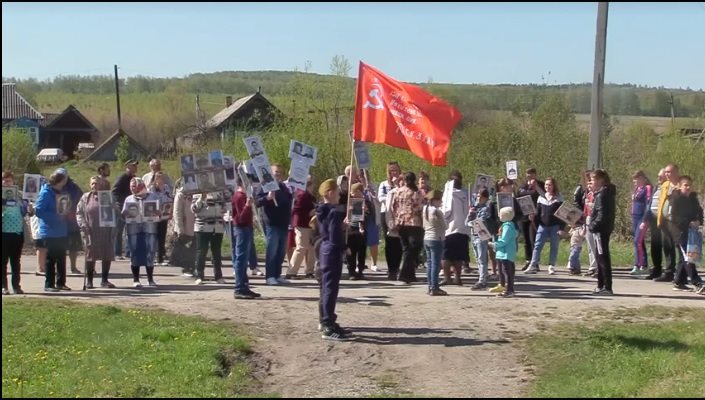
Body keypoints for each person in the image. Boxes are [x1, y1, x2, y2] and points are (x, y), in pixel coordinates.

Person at [316, 178, 352, 341]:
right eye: (337, 192)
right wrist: (344, 247)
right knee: (330, 289)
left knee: (326, 288)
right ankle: (328, 324)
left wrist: (341, 226)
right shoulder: (334, 211)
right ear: (330, 193)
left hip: (325, 249)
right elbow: (334, 235)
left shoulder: (323, 210)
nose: (339, 195)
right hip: (332, 251)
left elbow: (329, 230)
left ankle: (327, 320)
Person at [76, 176, 116, 289]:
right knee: (90, 255)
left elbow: (117, 211)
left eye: (97, 184)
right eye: (93, 184)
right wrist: (83, 224)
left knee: (106, 254)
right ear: (90, 185)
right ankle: (89, 281)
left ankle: (104, 280)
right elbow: (79, 212)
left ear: (101, 185)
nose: (95, 186)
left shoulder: (108, 196)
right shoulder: (85, 197)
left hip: (105, 230)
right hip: (90, 230)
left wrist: (113, 207)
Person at [256, 163, 293, 285]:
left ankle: (277, 274)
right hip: (272, 223)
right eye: (275, 172)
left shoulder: (283, 187)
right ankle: (270, 276)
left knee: (281, 251)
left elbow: (288, 201)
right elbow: (257, 202)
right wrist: (268, 198)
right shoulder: (265, 186)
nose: (277, 174)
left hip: (283, 223)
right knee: (272, 251)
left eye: (279, 172)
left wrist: (294, 197)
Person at [122, 177, 162, 287]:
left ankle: (150, 279)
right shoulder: (128, 199)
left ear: (141, 186)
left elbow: (161, 213)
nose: (132, 189)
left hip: (149, 229)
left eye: (134, 187)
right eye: (131, 187)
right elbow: (123, 214)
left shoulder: (153, 196)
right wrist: (125, 213)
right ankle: (136, 280)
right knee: (135, 253)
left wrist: (158, 212)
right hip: (134, 230)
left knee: (150, 252)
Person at [35, 170, 70, 292]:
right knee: (51, 258)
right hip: (49, 230)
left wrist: (66, 212)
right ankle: (49, 284)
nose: (66, 181)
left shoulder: (63, 192)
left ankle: (61, 282)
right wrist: (55, 217)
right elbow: (39, 211)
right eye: (64, 179)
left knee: (61, 257)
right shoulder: (45, 193)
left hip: (61, 230)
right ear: (59, 180)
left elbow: (64, 207)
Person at [525, 178, 565, 275]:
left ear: (554, 186)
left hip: (555, 226)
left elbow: (563, 214)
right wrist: (533, 218)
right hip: (543, 226)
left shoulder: (559, 198)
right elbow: (538, 212)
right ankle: (533, 264)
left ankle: (551, 266)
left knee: (554, 246)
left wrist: (561, 228)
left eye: (550, 185)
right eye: (546, 185)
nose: (547, 187)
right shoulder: (541, 197)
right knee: (537, 245)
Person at [670, 175, 703, 292]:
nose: (688, 187)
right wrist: (688, 223)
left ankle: (679, 281)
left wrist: (699, 221)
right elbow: (674, 217)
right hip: (680, 233)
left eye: (689, 185)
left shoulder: (693, 198)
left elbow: (699, 211)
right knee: (689, 258)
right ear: (679, 186)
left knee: (683, 258)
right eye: (685, 185)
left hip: (691, 233)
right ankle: (697, 282)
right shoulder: (675, 198)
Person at [390, 172, 424, 284]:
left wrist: (396, 219)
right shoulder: (417, 192)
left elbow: (392, 206)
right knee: (415, 247)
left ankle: (410, 274)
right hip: (414, 222)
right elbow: (420, 208)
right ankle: (405, 273)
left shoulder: (398, 191)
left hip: (401, 222)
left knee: (406, 249)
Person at [2, 171, 32, 295]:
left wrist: (30, 209)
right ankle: (4, 287)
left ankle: (16, 286)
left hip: (17, 232)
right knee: (3, 261)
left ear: (13, 181)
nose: (6, 182)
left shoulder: (19, 195)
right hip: (3, 232)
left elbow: (26, 211)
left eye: (9, 180)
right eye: (4, 180)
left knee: (16, 261)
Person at [231, 176, 261, 299]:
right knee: (241, 258)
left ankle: (244, 286)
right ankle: (239, 288)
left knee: (245, 258)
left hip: (246, 228)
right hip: (241, 229)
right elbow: (239, 218)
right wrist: (247, 206)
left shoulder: (244, 196)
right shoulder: (239, 196)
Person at [588, 169, 617, 296]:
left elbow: (602, 214)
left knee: (603, 257)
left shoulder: (603, 194)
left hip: (601, 230)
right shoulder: (601, 193)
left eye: (593, 179)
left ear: (600, 180)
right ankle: (601, 285)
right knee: (599, 257)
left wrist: (593, 226)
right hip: (601, 229)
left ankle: (607, 286)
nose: (591, 182)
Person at [441, 170, 470, 286]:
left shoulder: (449, 194)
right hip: (462, 228)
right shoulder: (466, 194)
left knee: (447, 255)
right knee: (458, 255)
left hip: (450, 228)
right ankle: (457, 278)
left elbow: (445, 211)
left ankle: (449, 277)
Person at [191, 191, 227, 285]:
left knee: (216, 252)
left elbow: (225, 207)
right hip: (202, 227)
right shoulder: (197, 193)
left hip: (217, 226)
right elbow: (194, 209)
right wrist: (201, 198)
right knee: (201, 251)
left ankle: (218, 276)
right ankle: (199, 275)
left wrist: (224, 210)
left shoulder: (220, 193)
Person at [287, 176, 317, 279]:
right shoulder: (301, 195)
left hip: (309, 225)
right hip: (302, 224)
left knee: (311, 248)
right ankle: (291, 271)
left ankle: (309, 270)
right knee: (301, 247)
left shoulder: (310, 195)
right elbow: (297, 211)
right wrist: (310, 213)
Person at [654, 164, 680, 283]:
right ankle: (669, 272)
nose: (667, 174)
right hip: (665, 220)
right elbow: (661, 202)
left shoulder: (681, 185)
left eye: (670, 172)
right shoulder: (665, 185)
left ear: (676, 172)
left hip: (677, 222)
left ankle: (682, 273)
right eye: (666, 172)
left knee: (680, 247)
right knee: (667, 246)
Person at [518, 168, 545, 271]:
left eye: (531, 174)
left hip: (536, 216)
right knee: (526, 240)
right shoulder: (523, 186)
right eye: (528, 174)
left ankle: (535, 262)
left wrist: (536, 186)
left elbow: (544, 195)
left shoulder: (541, 184)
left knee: (533, 239)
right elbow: (518, 196)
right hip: (524, 215)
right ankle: (528, 260)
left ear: (535, 174)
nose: (529, 176)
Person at [378, 162, 402, 277]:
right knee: (389, 241)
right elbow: (380, 197)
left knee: (398, 241)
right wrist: (391, 195)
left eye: (396, 170)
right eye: (392, 170)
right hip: (386, 213)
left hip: (399, 214)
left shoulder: (401, 185)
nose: (394, 172)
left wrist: (397, 187)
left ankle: (397, 267)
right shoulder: (384, 184)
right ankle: (390, 268)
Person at [112, 159, 139, 260]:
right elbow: (114, 192)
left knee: (131, 230)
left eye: (136, 166)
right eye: (133, 165)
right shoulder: (122, 177)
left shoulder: (135, 178)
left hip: (132, 207)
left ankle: (129, 252)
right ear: (128, 167)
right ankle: (117, 252)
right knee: (119, 230)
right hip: (121, 206)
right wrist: (119, 204)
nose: (136, 167)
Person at [490, 207, 519, 298]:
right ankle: (503, 287)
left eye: (501, 214)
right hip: (502, 253)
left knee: (507, 272)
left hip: (506, 253)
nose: (499, 216)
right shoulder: (506, 225)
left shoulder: (507, 226)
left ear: (505, 216)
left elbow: (504, 240)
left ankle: (509, 290)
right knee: (503, 271)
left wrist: (494, 244)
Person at [422, 190, 447, 296]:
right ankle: (434, 287)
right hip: (436, 238)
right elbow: (445, 226)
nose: (441, 202)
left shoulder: (425, 209)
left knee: (430, 263)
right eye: (439, 200)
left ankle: (430, 286)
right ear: (435, 200)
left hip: (427, 237)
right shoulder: (437, 211)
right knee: (436, 264)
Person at [643, 169, 667, 280]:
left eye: (661, 176)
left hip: (664, 220)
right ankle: (656, 269)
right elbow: (650, 203)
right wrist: (646, 218)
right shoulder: (657, 187)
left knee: (667, 245)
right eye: (658, 176)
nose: (659, 179)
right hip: (653, 219)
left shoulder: (668, 187)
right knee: (655, 245)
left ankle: (669, 271)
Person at [170, 178, 196, 276]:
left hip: (195, 225)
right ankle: (186, 268)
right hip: (185, 227)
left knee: (194, 248)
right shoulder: (181, 195)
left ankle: (192, 267)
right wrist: (180, 228)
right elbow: (177, 212)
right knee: (186, 249)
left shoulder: (196, 193)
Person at [345, 183, 371, 280]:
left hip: (362, 230)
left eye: (354, 192)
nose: (352, 194)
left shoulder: (366, 202)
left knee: (361, 252)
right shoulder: (349, 202)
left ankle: (360, 270)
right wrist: (349, 212)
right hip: (351, 229)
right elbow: (345, 215)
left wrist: (365, 211)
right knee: (351, 252)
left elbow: (369, 214)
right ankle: (351, 271)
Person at [467, 189, 491, 290]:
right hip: (474, 235)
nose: (478, 198)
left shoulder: (485, 209)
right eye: (477, 196)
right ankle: (481, 277)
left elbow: (480, 221)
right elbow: (466, 222)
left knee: (482, 259)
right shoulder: (474, 208)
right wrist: (470, 214)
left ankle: (482, 280)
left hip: (481, 236)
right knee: (477, 258)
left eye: (480, 197)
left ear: (485, 198)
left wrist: (472, 218)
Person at [630, 170, 653, 275]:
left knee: (637, 241)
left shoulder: (647, 188)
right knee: (639, 241)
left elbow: (648, 204)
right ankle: (643, 264)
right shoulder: (637, 189)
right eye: (634, 179)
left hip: (642, 218)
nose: (634, 181)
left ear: (642, 178)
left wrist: (645, 219)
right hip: (635, 217)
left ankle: (639, 265)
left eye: (636, 179)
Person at [149, 172, 172, 266]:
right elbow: (150, 200)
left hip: (164, 215)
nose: (160, 179)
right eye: (158, 177)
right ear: (155, 179)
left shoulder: (166, 187)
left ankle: (160, 258)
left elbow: (170, 197)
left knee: (162, 237)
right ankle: (152, 257)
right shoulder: (152, 188)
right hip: (154, 216)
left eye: (162, 177)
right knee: (153, 237)